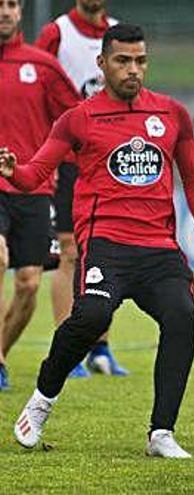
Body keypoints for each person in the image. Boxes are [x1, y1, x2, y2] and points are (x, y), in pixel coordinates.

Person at [0, 23, 194, 458]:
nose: (133, 70)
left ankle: (161, 432)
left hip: (159, 249)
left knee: (182, 316)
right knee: (90, 316)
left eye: (140, 60)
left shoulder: (171, 115)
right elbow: (36, 173)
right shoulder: (78, 119)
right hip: (106, 242)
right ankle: (43, 398)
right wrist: (14, 172)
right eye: (123, 61)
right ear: (102, 64)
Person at [36, 0, 126, 378]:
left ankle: (101, 348)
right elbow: (34, 88)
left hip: (110, 160)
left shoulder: (120, 32)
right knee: (70, 252)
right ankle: (66, 346)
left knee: (109, 249)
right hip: (69, 163)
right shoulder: (57, 33)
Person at [0, 0, 81, 392]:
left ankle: (0, 354)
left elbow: (76, 121)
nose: (4, 12)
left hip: (31, 187)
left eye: (12, 4)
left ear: (21, 11)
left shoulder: (43, 67)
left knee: (29, 282)